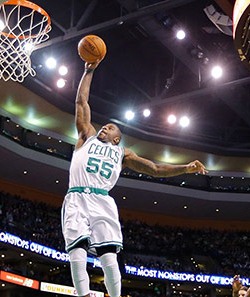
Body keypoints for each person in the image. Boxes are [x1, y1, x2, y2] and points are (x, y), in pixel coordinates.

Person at [62, 60, 208, 297]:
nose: (103, 129)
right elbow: (81, 101)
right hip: (77, 195)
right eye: (104, 126)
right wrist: (89, 70)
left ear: (117, 139)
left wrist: (186, 168)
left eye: (109, 128)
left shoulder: (123, 153)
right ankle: (83, 294)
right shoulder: (86, 136)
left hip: (102, 200)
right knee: (76, 249)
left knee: (108, 254)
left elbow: (155, 169)